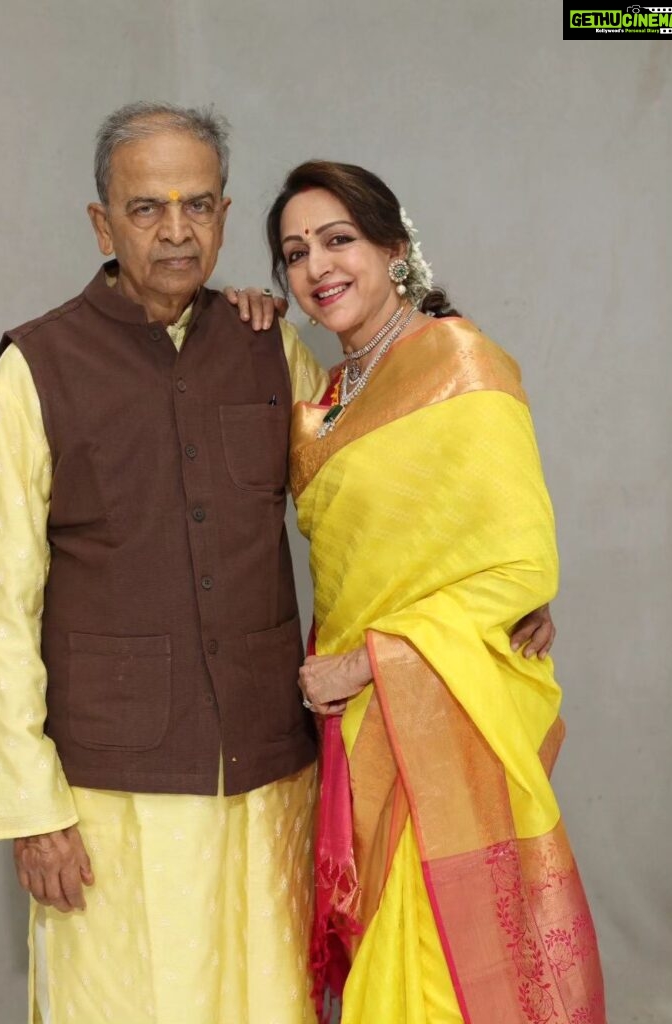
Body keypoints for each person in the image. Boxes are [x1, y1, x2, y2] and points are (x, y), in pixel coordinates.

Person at [0, 101, 554, 1023]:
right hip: (115, 786)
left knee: (270, 1001)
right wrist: (32, 808)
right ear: (102, 222)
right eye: (147, 208)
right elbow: (1, 608)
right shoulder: (35, 368)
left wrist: (487, 597)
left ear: (226, 216)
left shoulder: (266, 343)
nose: (176, 232)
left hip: (273, 774)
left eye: (199, 207)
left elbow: (371, 492)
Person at [265, 161, 605, 1024]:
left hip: (433, 715)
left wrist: (371, 667)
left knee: (429, 971)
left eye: (339, 240)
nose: (317, 268)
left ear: (395, 247)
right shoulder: (325, 403)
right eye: (294, 253)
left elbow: (519, 567)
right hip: (355, 727)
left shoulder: (461, 362)